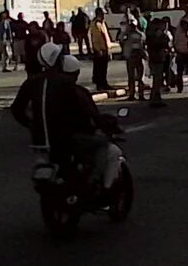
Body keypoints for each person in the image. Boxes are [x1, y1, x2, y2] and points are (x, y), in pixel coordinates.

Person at [11, 54, 122, 194]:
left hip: (41, 142)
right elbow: (89, 112)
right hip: (68, 138)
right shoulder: (70, 87)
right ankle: (102, 188)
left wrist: (31, 125)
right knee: (106, 147)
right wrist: (102, 126)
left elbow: (17, 110)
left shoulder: (33, 83)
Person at [145, 17, 174, 106]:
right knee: (157, 80)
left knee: (157, 79)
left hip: (156, 58)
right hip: (157, 58)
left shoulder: (151, 34)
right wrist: (165, 40)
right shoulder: (156, 35)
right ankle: (155, 99)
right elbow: (162, 44)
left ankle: (155, 97)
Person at [121, 14, 146, 100]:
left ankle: (139, 94)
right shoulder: (138, 35)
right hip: (132, 57)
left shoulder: (139, 35)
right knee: (132, 77)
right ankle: (133, 94)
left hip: (137, 57)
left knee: (138, 77)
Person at [90, 8, 113, 91]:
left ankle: (103, 83)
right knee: (100, 68)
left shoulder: (101, 23)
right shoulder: (97, 24)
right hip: (100, 50)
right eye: (103, 14)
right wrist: (99, 49)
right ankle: (100, 84)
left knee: (103, 68)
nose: (104, 15)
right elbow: (96, 38)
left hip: (104, 48)